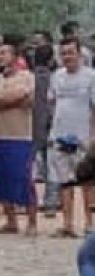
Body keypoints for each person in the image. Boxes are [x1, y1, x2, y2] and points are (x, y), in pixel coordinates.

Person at [0, 40, 39, 236]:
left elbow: (25, 98)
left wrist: (1, 99)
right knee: (1, 178)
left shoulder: (27, 77)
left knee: (23, 179)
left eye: (5, 53)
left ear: (15, 57)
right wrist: (11, 99)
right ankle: (11, 221)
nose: (0, 57)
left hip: (20, 136)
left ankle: (32, 222)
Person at [49, 37, 95, 238]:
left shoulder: (91, 77)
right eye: (64, 53)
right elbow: (53, 103)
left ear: (79, 54)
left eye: (71, 52)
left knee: (87, 181)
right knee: (64, 180)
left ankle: (89, 224)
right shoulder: (57, 76)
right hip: (60, 135)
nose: (67, 57)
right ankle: (67, 224)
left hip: (83, 136)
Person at [31, 43, 61, 215]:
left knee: (28, 164)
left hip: (32, 125)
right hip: (50, 124)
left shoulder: (29, 77)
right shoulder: (54, 78)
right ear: (51, 60)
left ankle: (27, 200)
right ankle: (51, 201)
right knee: (52, 164)